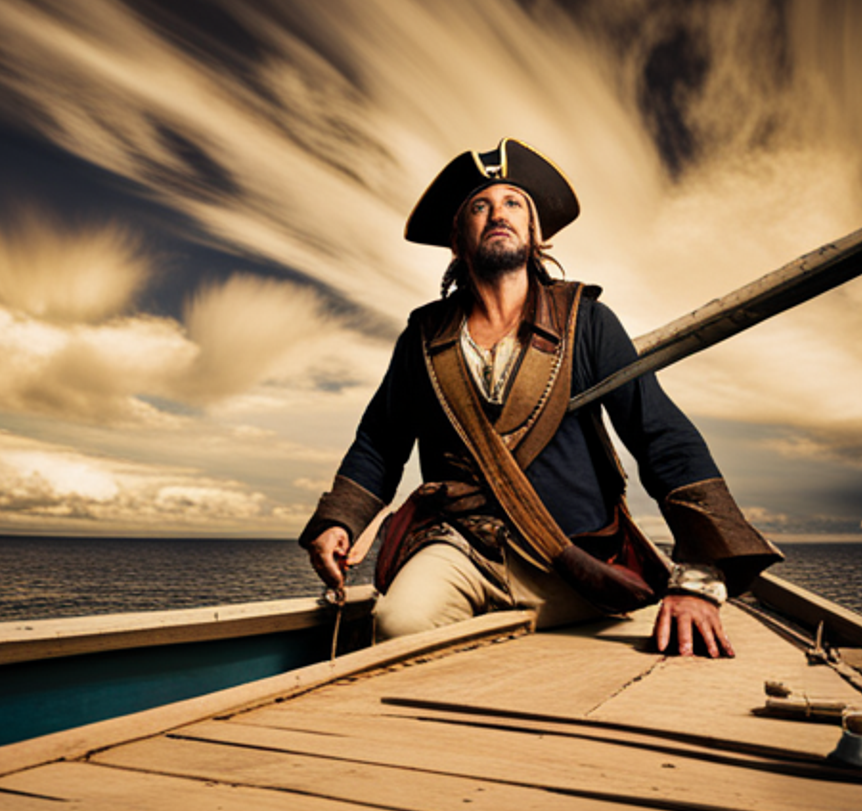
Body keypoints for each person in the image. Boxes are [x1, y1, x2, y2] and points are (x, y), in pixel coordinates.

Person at [300, 138, 780, 657]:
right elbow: (380, 441)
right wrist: (337, 521)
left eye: (513, 204)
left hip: (572, 558)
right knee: (398, 626)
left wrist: (699, 578)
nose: (497, 214)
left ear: (534, 233)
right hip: (462, 548)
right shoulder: (421, 335)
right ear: (458, 240)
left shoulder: (587, 321)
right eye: (479, 207)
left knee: (619, 642)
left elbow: (659, 432)